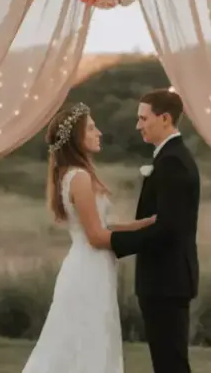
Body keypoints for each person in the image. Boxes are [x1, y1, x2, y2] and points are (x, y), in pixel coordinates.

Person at [21, 102, 156, 373]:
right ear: (76, 138)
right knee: (86, 339)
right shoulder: (79, 177)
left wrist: (143, 225)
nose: (99, 132)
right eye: (92, 128)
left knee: (91, 336)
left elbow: (103, 225)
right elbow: (96, 236)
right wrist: (145, 242)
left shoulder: (74, 174)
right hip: (88, 269)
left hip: (92, 266)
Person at [109, 89, 201, 373]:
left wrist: (113, 243)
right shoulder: (169, 157)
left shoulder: (172, 161)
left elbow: (168, 229)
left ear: (164, 119)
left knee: (170, 364)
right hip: (166, 278)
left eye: (143, 118)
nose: (138, 125)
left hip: (166, 279)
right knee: (167, 362)